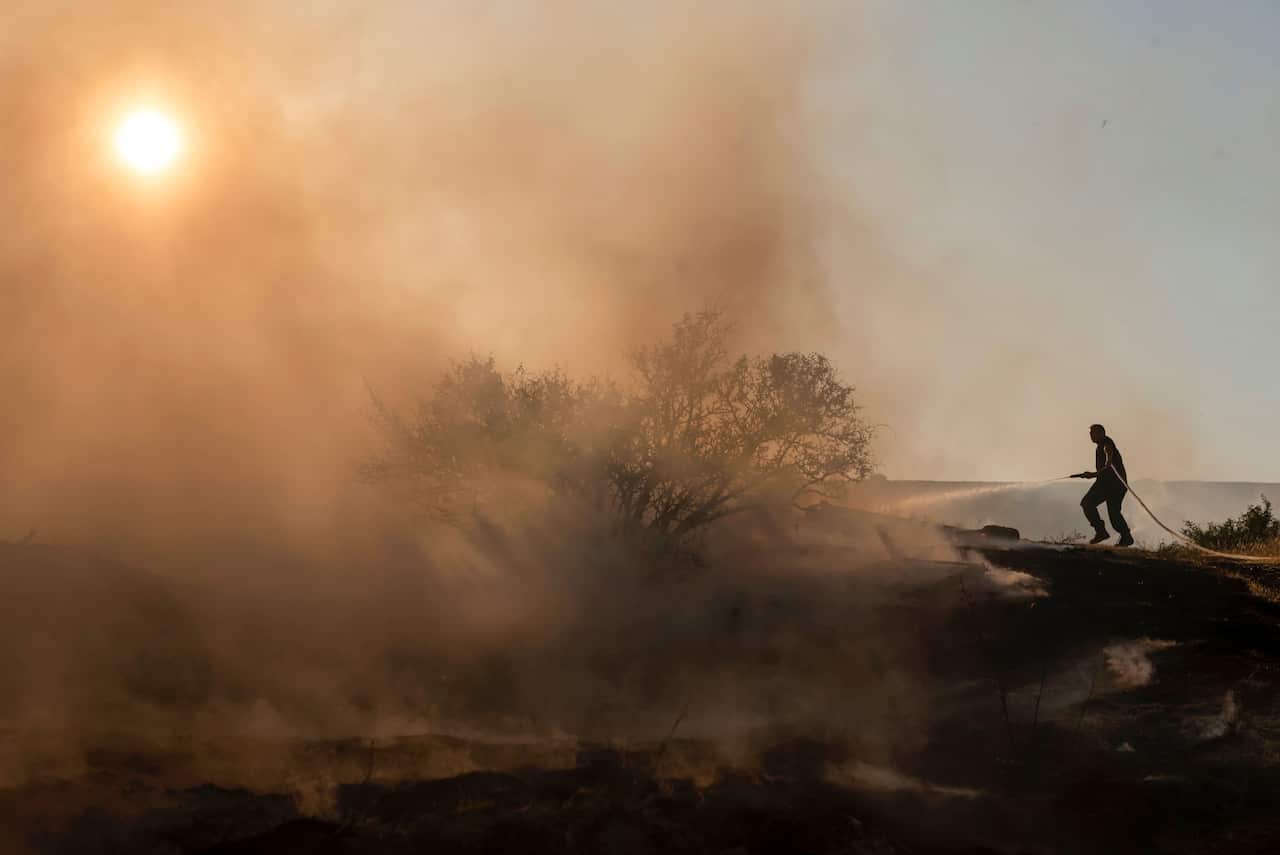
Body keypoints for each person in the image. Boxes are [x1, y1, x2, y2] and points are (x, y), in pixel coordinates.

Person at [1075, 424, 1134, 546]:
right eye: (1090, 433)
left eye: (1093, 433)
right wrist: (1094, 474)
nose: (1091, 435)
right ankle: (1119, 535)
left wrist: (1093, 474)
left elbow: (1109, 464)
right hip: (1107, 483)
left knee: (1092, 505)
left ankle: (1111, 534)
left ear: (1101, 433)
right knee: (1105, 509)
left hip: (1114, 485)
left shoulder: (1107, 443)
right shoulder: (1101, 446)